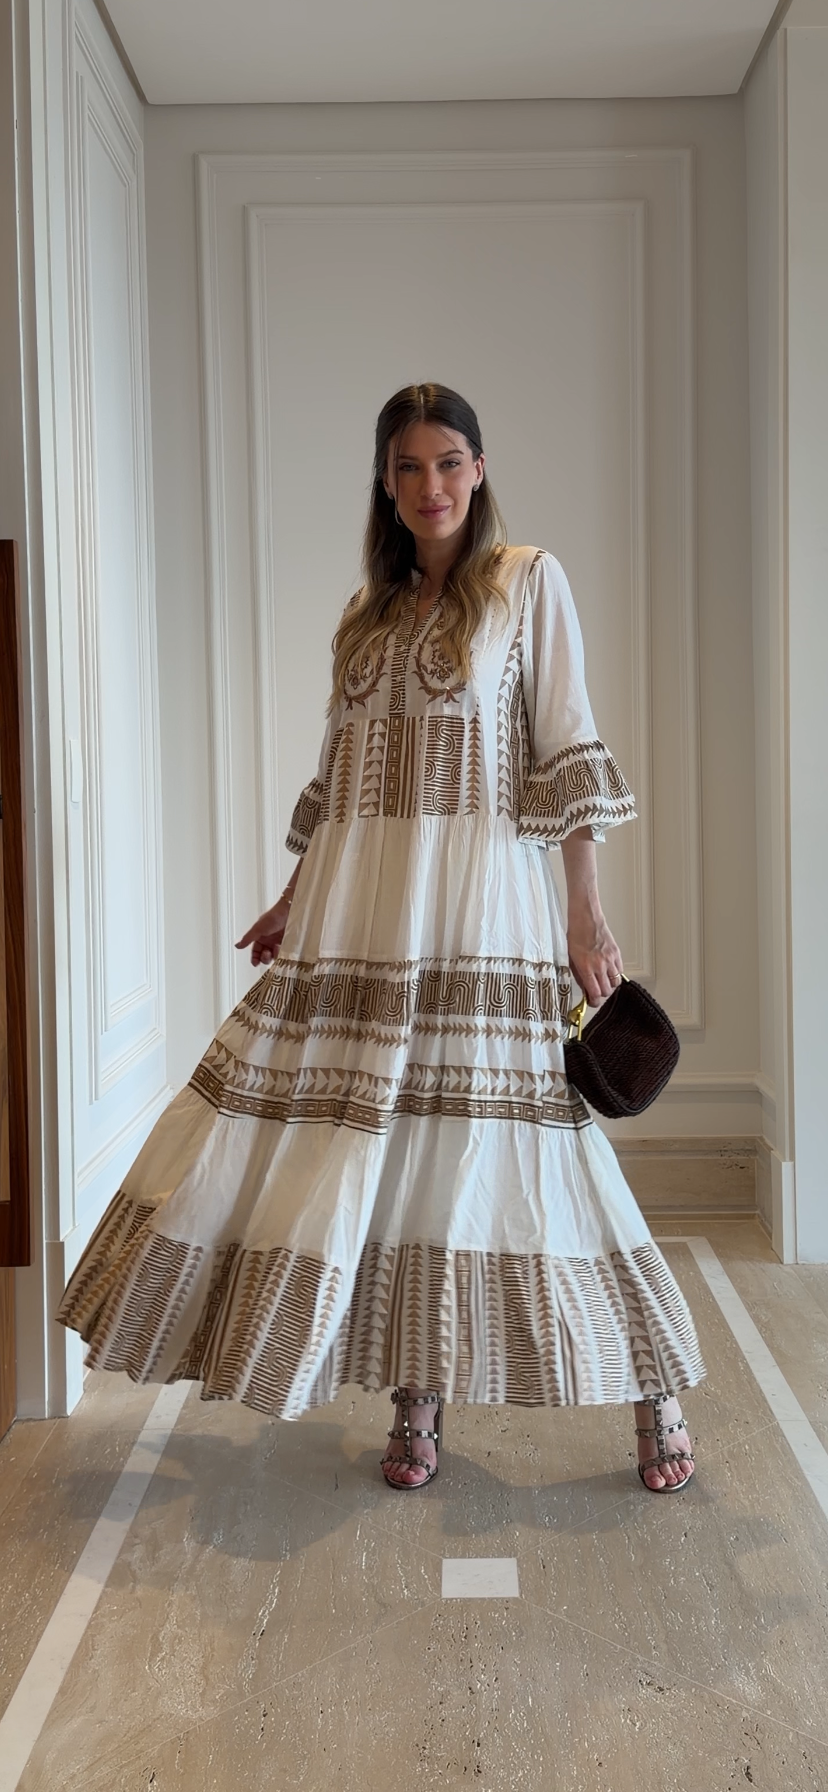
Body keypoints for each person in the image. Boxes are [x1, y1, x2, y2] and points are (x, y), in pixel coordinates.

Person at [58, 382, 703, 1496]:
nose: (429, 486)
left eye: (448, 462)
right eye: (407, 466)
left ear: (480, 469)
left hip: (479, 909)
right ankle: (418, 1393)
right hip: (358, 919)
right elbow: (341, 779)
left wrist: (583, 911)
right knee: (390, 1153)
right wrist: (294, 895)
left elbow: (566, 749)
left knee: (535, 1154)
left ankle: (657, 1389)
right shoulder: (367, 613)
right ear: (385, 482)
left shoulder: (527, 583)